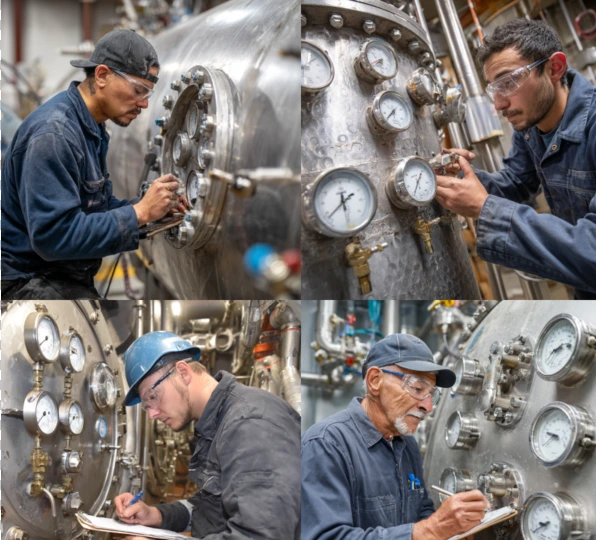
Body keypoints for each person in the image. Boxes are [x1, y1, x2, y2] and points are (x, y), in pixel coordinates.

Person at [1, 29, 186, 300]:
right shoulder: (55, 135)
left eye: (148, 93)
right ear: (101, 76)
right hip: (28, 282)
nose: (145, 104)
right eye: (138, 90)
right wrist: (139, 213)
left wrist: (153, 212)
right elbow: (53, 237)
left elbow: (93, 210)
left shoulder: (91, 127)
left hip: (61, 274)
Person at [434, 18, 596, 299]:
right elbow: (516, 182)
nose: (498, 104)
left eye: (508, 82)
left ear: (554, 68)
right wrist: (461, 177)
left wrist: (485, 208)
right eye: (494, 89)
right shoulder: (533, 123)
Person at [113, 331, 301, 540]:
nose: (152, 414)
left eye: (153, 396)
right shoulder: (215, 424)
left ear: (183, 373)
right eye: (146, 406)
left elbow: (262, 535)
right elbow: (212, 508)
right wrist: (156, 515)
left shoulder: (249, 423)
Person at [301, 334, 489, 540]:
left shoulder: (407, 445)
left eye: (431, 395)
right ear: (375, 381)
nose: (428, 406)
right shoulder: (326, 444)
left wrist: (452, 530)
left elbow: (420, 512)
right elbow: (327, 536)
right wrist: (433, 529)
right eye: (417, 388)